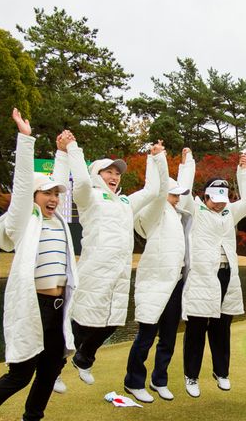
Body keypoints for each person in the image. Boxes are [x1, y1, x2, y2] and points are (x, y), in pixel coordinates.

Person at [0, 109, 78, 421]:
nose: (53, 197)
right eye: (46, 193)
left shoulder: (58, 221)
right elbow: (25, 180)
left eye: (56, 193)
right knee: (20, 373)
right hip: (34, 306)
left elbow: (57, 177)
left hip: (57, 306)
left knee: (52, 366)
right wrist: (25, 140)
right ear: (32, 196)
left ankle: (32, 417)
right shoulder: (24, 219)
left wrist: (61, 151)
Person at [60, 134, 167, 386]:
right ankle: (55, 369)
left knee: (113, 322)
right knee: (79, 326)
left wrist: (155, 158)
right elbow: (82, 184)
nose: (114, 176)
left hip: (119, 274)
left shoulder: (126, 202)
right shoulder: (90, 198)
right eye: (107, 171)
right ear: (97, 174)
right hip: (94, 271)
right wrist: (73, 148)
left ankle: (84, 359)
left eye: (117, 173)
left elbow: (152, 190)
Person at [179, 154, 246, 397]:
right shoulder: (196, 209)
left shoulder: (229, 212)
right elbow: (182, 193)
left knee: (222, 327)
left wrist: (244, 171)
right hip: (202, 276)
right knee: (197, 327)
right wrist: (188, 164)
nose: (220, 203)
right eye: (215, 199)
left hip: (226, 276)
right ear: (206, 196)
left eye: (223, 199)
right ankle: (191, 376)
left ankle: (221, 372)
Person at [123, 148, 195, 403]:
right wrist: (156, 160)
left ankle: (159, 379)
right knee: (146, 336)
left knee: (167, 337)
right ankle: (133, 382)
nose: (177, 199)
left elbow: (184, 188)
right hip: (154, 283)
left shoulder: (176, 214)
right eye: (173, 195)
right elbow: (156, 187)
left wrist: (187, 164)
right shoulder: (153, 213)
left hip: (175, 284)